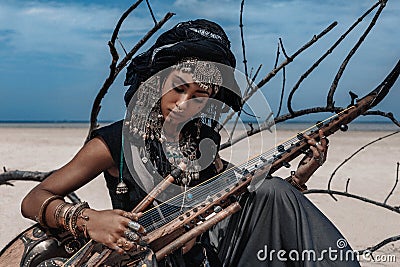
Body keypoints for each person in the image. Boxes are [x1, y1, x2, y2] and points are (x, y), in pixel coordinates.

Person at [21, 19, 360, 266]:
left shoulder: (201, 141)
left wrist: (300, 176)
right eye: (179, 88)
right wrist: (90, 219)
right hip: (145, 260)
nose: (186, 103)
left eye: (200, 96)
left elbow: (241, 196)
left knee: (274, 191)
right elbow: (34, 199)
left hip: (210, 257)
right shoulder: (115, 142)